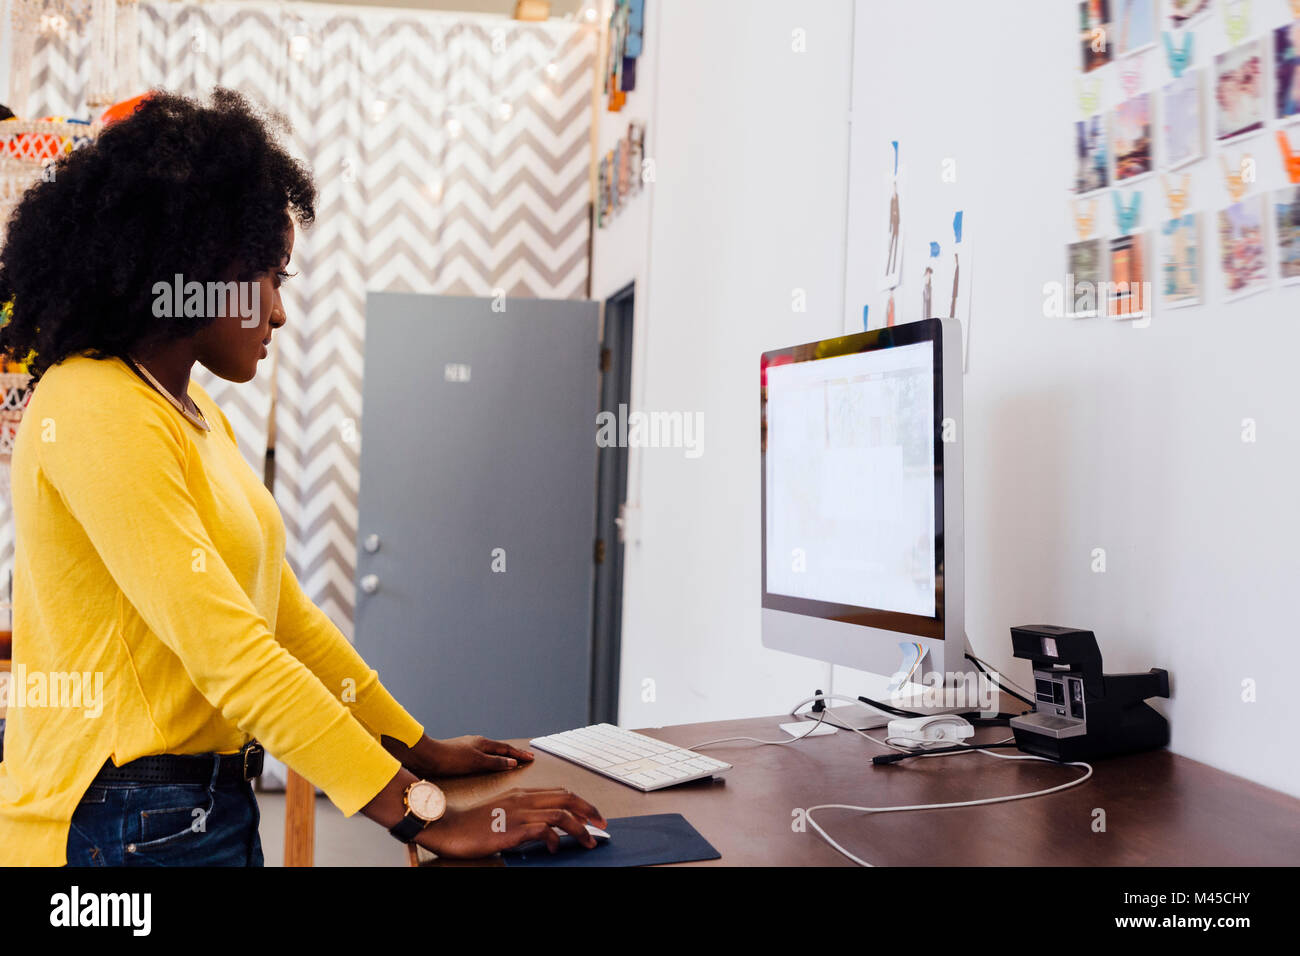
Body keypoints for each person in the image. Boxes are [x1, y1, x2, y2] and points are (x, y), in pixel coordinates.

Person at [0, 88, 604, 866]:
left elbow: (280, 615)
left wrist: (415, 746)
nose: (279, 312)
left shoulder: (191, 416)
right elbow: (231, 653)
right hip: (117, 823)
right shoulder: (93, 404)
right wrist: (425, 816)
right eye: (271, 277)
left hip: (187, 808)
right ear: (200, 271)